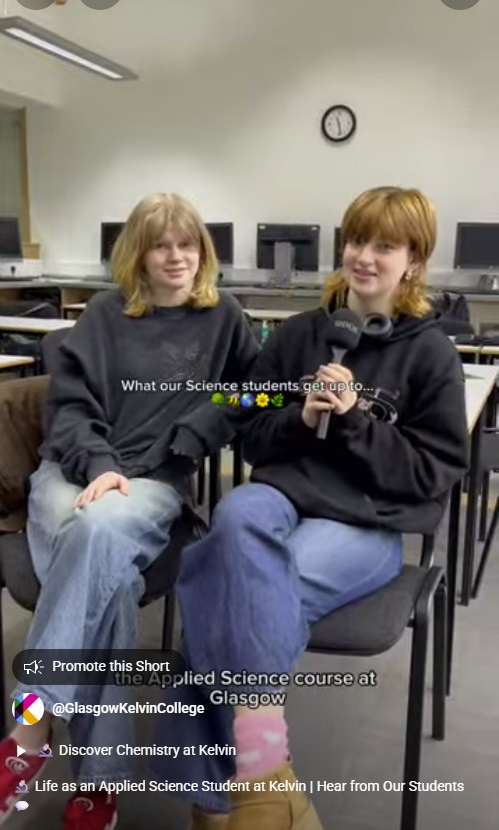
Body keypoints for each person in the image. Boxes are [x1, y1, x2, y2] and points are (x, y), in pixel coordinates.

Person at [150, 186, 469, 830]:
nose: (364, 257)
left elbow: (430, 474)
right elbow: (252, 435)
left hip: (363, 522)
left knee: (222, 591)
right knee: (236, 519)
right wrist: (300, 415)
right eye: (356, 240)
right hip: (280, 497)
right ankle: (266, 772)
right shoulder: (298, 337)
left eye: (385, 245)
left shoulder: (430, 354)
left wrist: (354, 422)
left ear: (413, 261)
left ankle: (220, 802)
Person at [0, 193, 259, 829]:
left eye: (188, 244)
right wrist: (99, 464)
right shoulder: (102, 317)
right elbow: (69, 410)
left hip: (153, 481)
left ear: (203, 252)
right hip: (75, 473)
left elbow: (254, 392)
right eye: (161, 244)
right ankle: (98, 782)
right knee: (105, 574)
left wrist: (198, 428)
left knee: (97, 534)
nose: (176, 257)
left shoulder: (223, 316)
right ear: (137, 254)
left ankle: (28, 731)